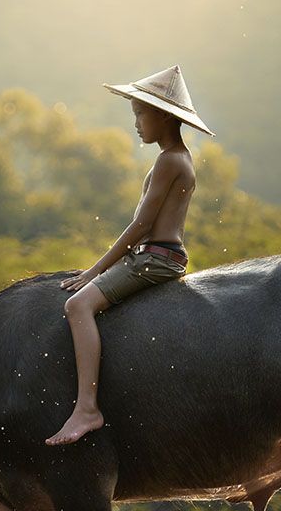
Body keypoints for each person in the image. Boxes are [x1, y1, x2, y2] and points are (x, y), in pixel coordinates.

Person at [45, 65, 215, 446]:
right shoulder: (177, 158)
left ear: (164, 116)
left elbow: (141, 225)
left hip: (155, 258)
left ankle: (87, 407)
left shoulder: (169, 160)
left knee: (78, 306)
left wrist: (95, 270)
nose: (136, 123)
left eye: (141, 114)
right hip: (157, 254)